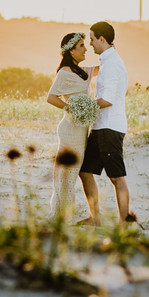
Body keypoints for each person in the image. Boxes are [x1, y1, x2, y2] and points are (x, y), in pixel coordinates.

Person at [78, 21, 131, 225]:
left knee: (117, 178)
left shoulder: (112, 64)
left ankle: (125, 223)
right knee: (85, 171)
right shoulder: (108, 62)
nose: (90, 43)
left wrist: (82, 108)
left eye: (91, 39)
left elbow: (107, 100)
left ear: (102, 39)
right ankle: (95, 219)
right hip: (101, 127)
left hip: (110, 128)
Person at [45, 32, 91, 219]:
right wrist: (71, 109)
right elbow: (51, 97)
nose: (85, 49)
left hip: (81, 130)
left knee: (72, 174)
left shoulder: (81, 71)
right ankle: (61, 216)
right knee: (66, 175)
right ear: (71, 50)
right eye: (81, 46)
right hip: (70, 130)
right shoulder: (64, 72)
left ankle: (64, 214)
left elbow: (101, 68)